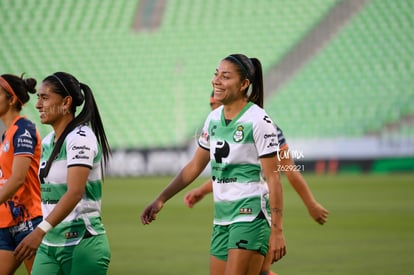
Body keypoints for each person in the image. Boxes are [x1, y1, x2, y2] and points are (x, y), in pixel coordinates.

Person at [141, 54, 287, 275]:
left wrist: (277, 231)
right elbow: (194, 166)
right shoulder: (213, 119)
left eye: (225, 76)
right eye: (216, 74)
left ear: (244, 84)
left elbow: (274, 178)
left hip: (250, 214)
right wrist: (161, 198)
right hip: (222, 217)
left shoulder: (259, 121)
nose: (216, 80)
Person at [184, 94, 329, 275]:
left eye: (217, 102)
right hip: (230, 214)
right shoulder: (216, 126)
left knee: (262, 271)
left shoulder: (266, 128)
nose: (214, 106)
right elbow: (230, 174)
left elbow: (289, 170)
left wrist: (311, 204)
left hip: (258, 212)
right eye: (211, 103)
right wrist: (202, 191)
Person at [14, 72, 112, 275]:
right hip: (49, 245)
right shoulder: (48, 140)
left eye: (45, 97)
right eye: (38, 97)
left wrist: (39, 230)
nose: (38, 104)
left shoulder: (81, 138)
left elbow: (74, 192)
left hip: (81, 244)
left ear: (66, 102)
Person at [0, 74, 42, 275]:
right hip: (6, 223)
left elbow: (17, 179)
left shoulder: (23, 129)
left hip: (29, 222)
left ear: (12, 99)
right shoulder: (5, 134)